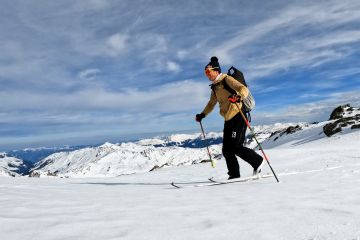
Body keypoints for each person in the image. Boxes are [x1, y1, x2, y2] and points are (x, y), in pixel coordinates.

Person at [195, 56, 263, 179]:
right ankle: (234, 175)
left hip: (239, 115)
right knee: (227, 150)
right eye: (205, 72)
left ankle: (257, 161)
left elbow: (243, 89)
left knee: (236, 146)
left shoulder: (227, 79)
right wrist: (202, 114)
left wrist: (238, 97)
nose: (207, 75)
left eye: (208, 72)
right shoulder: (215, 87)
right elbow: (211, 103)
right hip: (228, 119)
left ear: (216, 70)